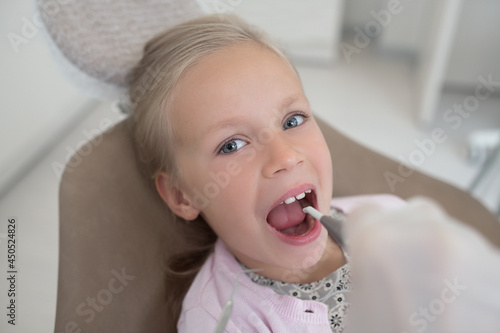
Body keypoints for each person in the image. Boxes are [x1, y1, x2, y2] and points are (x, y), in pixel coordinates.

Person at [127, 13, 404, 332]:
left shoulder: (388, 216)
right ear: (182, 195)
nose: (285, 157)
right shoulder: (219, 321)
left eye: (292, 121)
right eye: (231, 145)